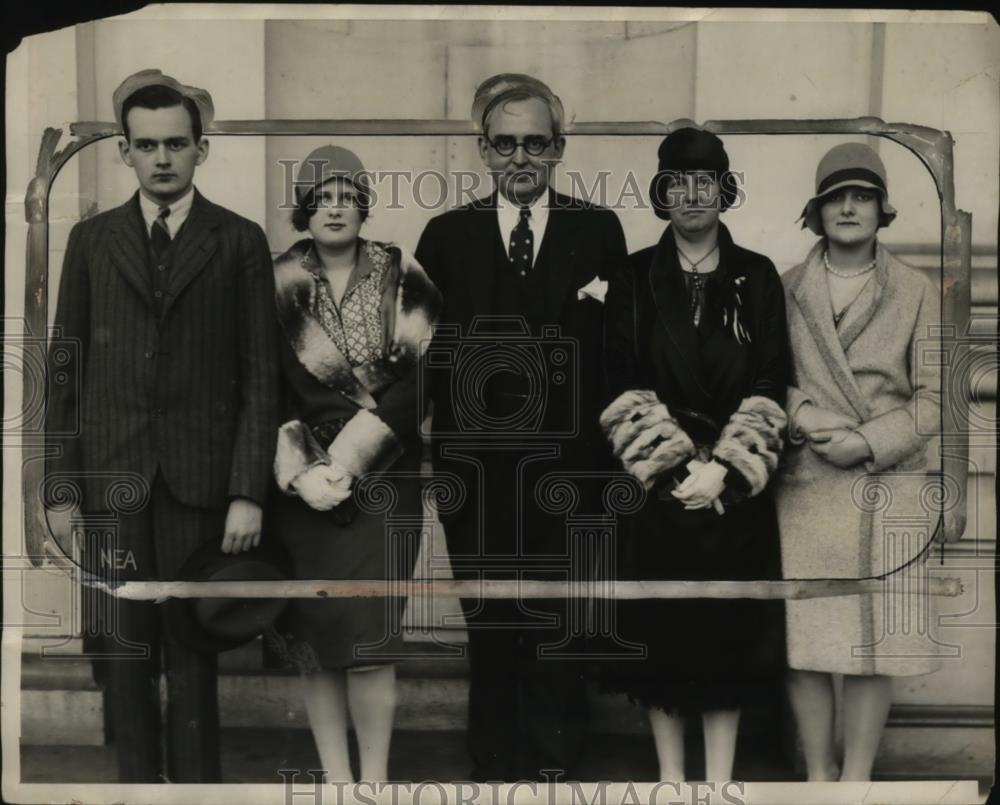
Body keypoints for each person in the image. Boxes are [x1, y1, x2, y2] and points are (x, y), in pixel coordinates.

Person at [43, 69, 280, 782]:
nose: (163, 158)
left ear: (201, 149)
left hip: (200, 484)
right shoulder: (91, 240)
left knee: (194, 650)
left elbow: (260, 376)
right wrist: (58, 489)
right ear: (125, 152)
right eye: (147, 145)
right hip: (112, 480)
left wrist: (247, 490)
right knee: (124, 655)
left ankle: (198, 795)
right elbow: (65, 368)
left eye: (177, 143)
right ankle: (137, 793)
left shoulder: (238, 240)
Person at [415, 73, 628, 781]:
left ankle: (558, 763)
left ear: (559, 146)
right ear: (482, 149)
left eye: (535, 142)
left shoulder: (600, 231)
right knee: (491, 618)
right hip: (473, 469)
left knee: (561, 613)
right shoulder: (444, 237)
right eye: (504, 143)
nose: (520, 157)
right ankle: (495, 763)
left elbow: (616, 352)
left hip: (572, 467)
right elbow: (425, 359)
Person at [600, 128, 789, 781]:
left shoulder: (758, 275)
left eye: (704, 182)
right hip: (662, 492)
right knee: (665, 641)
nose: (691, 195)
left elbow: (771, 380)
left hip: (732, 496)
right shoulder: (631, 278)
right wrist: (679, 467)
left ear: (724, 191)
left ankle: (719, 783)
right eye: (677, 182)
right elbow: (619, 380)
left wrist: (726, 470)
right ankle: (672, 781)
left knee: (726, 641)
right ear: (661, 193)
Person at [267, 145, 441, 782]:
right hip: (307, 491)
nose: (334, 208)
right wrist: (302, 470)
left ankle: (374, 783)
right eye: (321, 197)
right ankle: (336, 784)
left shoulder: (404, 274)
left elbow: (422, 378)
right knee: (318, 646)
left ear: (363, 205)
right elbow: (264, 386)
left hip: (384, 481)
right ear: (304, 209)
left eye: (347, 196)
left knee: (371, 644)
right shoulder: (277, 279)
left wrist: (352, 458)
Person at [777, 142, 942, 781]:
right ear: (816, 212)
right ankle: (819, 776)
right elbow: (764, 379)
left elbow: (935, 397)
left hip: (886, 486)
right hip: (808, 484)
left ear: (881, 209)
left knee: (879, 646)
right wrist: (804, 415)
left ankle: (857, 780)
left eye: (863, 195)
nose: (849, 207)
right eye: (835, 197)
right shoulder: (786, 287)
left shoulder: (917, 290)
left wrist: (871, 442)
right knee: (807, 643)